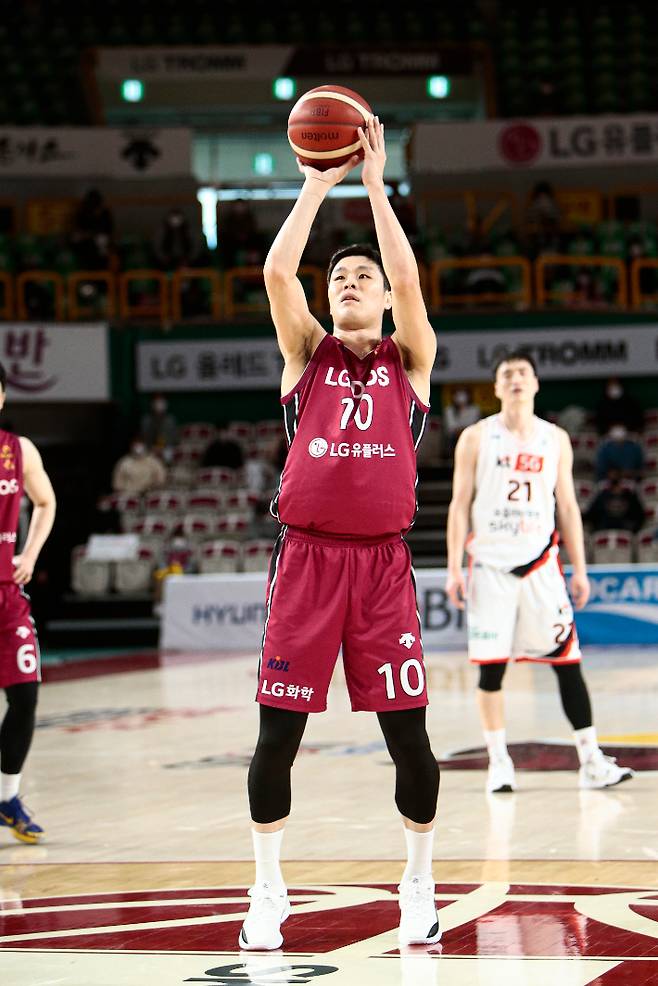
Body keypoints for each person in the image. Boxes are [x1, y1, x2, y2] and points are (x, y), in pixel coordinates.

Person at [240, 118, 440, 952]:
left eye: (366, 276)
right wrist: (319, 178)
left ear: (387, 296)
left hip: (384, 568)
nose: (354, 281)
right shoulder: (305, 354)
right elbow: (277, 269)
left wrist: (373, 181)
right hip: (308, 564)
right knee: (276, 735)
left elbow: (405, 269)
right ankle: (268, 889)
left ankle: (419, 881)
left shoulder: (412, 358)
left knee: (410, 735)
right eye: (343, 276)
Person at [446, 350, 633, 794]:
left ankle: (590, 760)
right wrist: (454, 567)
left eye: (522, 373)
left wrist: (580, 569)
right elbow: (458, 505)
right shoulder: (475, 437)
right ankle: (499, 762)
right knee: (491, 671)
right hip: (490, 567)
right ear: (495, 388)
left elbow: (567, 506)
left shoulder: (555, 439)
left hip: (541, 566)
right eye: (506, 374)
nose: (514, 379)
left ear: (535, 384)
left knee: (568, 663)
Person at [0, 362, 57, 843]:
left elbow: (46, 502)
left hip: (8, 594)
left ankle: (7, 797)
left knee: (25, 697)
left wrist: (30, 553)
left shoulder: (18, 452)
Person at [443, 386, 481, 453]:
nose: (461, 397)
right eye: (458, 395)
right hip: (454, 438)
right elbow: (451, 427)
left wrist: (464, 431)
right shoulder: (449, 410)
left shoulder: (474, 409)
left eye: (464, 394)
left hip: (471, 437)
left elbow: (472, 424)